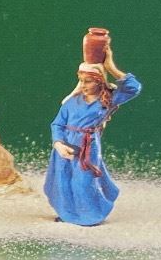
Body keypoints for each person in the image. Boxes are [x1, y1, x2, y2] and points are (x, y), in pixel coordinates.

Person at [44, 46, 142, 226]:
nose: (83, 85)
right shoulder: (71, 102)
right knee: (63, 181)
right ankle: (67, 213)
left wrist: (111, 67)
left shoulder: (108, 100)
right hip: (65, 145)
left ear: (98, 81)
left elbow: (133, 88)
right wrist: (58, 143)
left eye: (88, 81)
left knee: (83, 182)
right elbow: (57, 124)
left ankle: (89, 215)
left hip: (88, 147)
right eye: (81, 80)